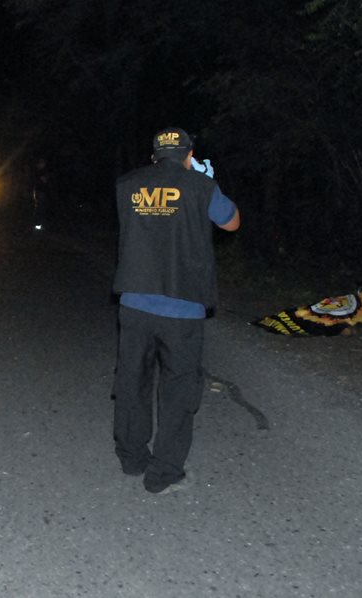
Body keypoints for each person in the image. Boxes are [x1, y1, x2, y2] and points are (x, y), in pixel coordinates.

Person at [111, 127, 240, 495]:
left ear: (154, 156)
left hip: (135, 303)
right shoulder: (201, 186)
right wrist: (204, 181)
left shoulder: (127, 185)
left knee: (132, 381)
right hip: (183, 307)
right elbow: (232, 222)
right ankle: (163, 472)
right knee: (179, 388)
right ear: (189, 155)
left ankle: (132, 458)